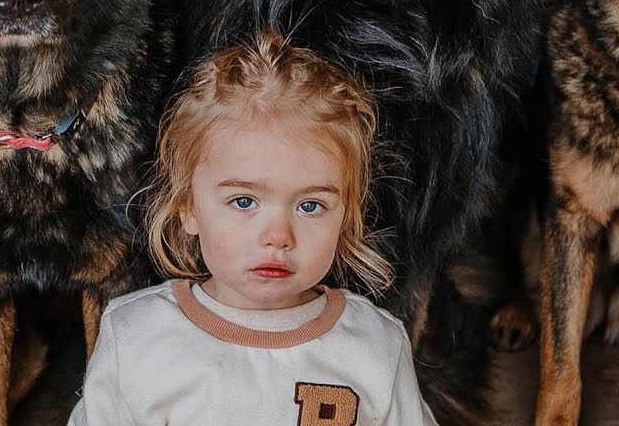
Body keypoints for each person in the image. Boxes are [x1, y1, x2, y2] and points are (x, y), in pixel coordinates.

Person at [69, 30, 438, 425]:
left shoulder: (375, 346)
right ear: (187, 207)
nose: (278, 236)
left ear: (347, 215)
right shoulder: (136, 337)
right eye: (244, 202)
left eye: (310, 205)